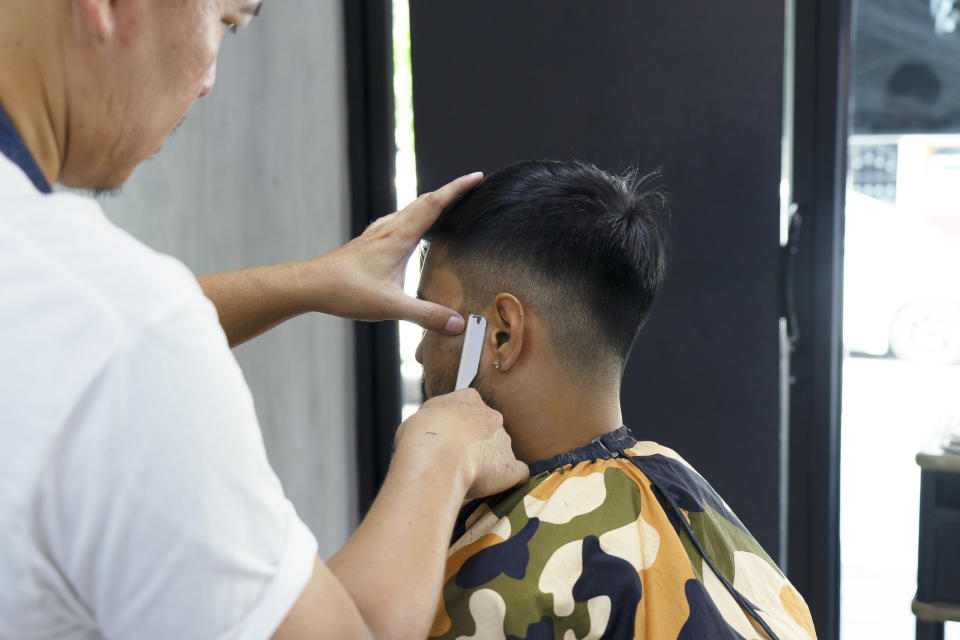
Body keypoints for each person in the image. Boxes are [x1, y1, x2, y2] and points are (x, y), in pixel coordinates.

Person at [0, 1, 527, 638]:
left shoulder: (82, 310)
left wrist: (308, 281)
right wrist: (436, 452)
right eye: (225, 22)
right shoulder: (124, 331)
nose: (208, 79)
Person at [415, 160, 818, 640]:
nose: (421, 351)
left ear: (502, 334)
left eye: (433, 321)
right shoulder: (676, 483)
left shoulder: (496, 595)